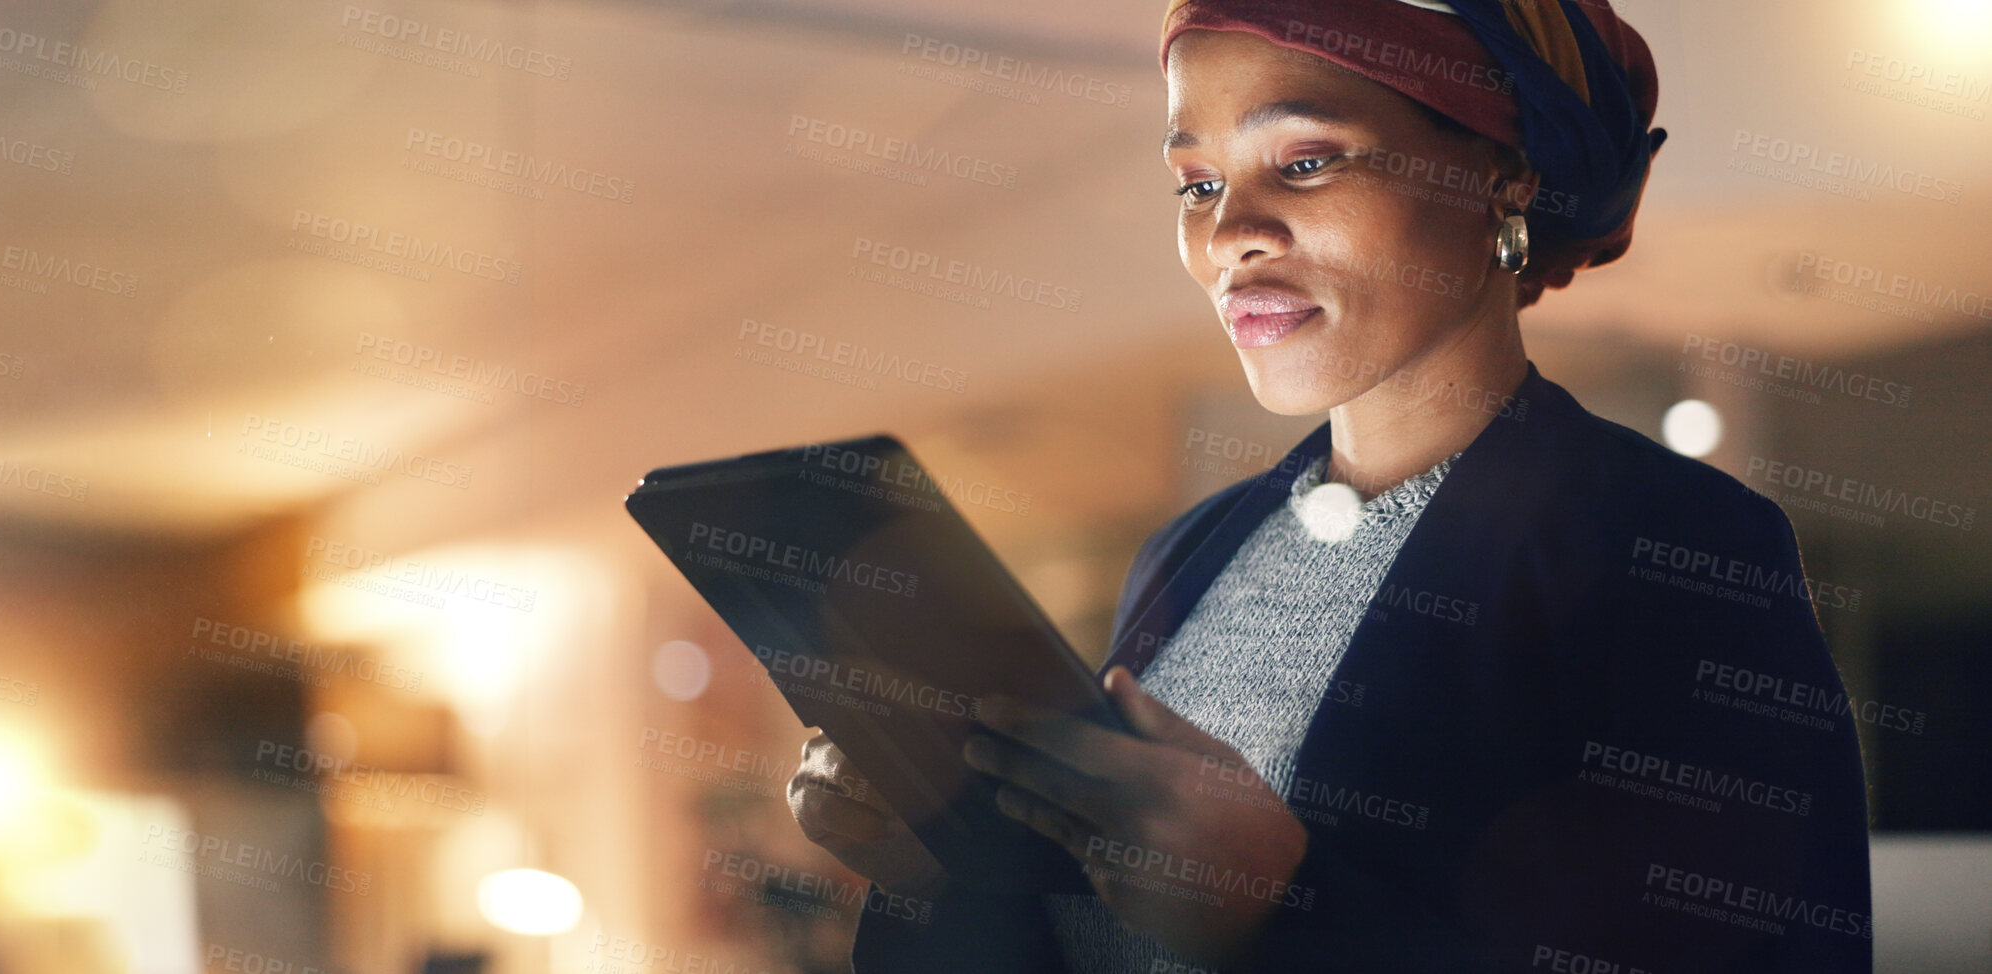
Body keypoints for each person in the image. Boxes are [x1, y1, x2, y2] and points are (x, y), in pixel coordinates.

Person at [788, 0, 1875, 971]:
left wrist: (1278, 907)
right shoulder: (1191, 551)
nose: (1229, 235)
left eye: (1304, 163)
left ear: (1505, 172)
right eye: (1199, 182)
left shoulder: (1671, 547)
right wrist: (940, 870)